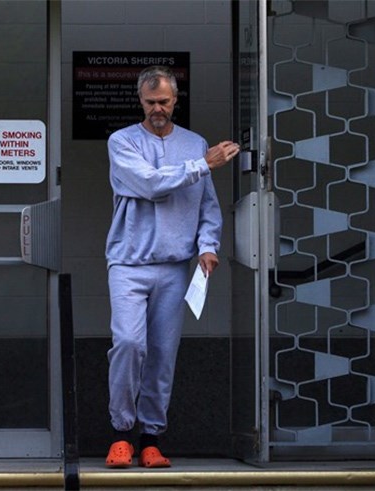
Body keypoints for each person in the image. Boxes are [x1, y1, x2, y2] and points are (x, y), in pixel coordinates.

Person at [104, 65, 240, 468]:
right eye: (150, 102)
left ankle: (150, 439)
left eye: (164, 101)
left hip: (176, 266)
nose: (157, 109)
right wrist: (204, 163)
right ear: (140, 101)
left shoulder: (194, 143)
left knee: (163, 353)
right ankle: (120, 434)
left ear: (176, 99)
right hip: (128, 263)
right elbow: (150, 183)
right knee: (129, 344)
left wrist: (208, 246)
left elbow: (207, 206)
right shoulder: (122, 141)